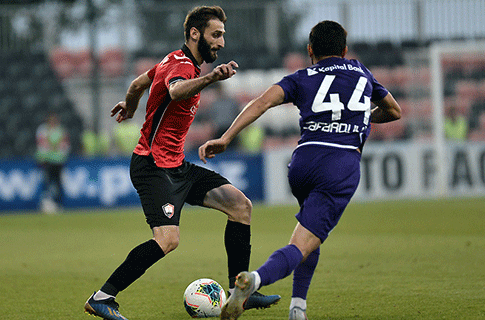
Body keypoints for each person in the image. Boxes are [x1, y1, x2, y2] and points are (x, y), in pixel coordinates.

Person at [83, 6, 280, 320]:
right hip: (152, 165)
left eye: (222, 36)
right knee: (168, 239)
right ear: (194, 33)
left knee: (240, 206)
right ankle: (103, 297)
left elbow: (136, 85)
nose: (221, 42)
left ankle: (241, 293)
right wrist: (212, 78)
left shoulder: (170, 60)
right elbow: (175, 92)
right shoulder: (182, 65)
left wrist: (130, 106)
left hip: (176, 166)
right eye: (216, 35)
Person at [198, 20, 402, 320]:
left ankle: (298, 307)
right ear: (344, 51)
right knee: (303, 242)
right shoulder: (361, 72)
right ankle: (254, 280)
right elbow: (394, 110)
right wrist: (360, 119)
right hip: (340, 165)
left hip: (302, 162)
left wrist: (226, 137)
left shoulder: (301, 77)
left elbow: (261, 102)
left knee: (309, 230)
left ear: (310, 50)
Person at [35, 112, 70, 213]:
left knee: (58, 183)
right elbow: (42, 145)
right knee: (47, 182)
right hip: (47, 161)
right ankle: (46, 204)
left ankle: (58, 204)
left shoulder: (61, 130)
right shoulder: (43, 130)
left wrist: (58, 152)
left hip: (58, 161)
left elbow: (65, 145)